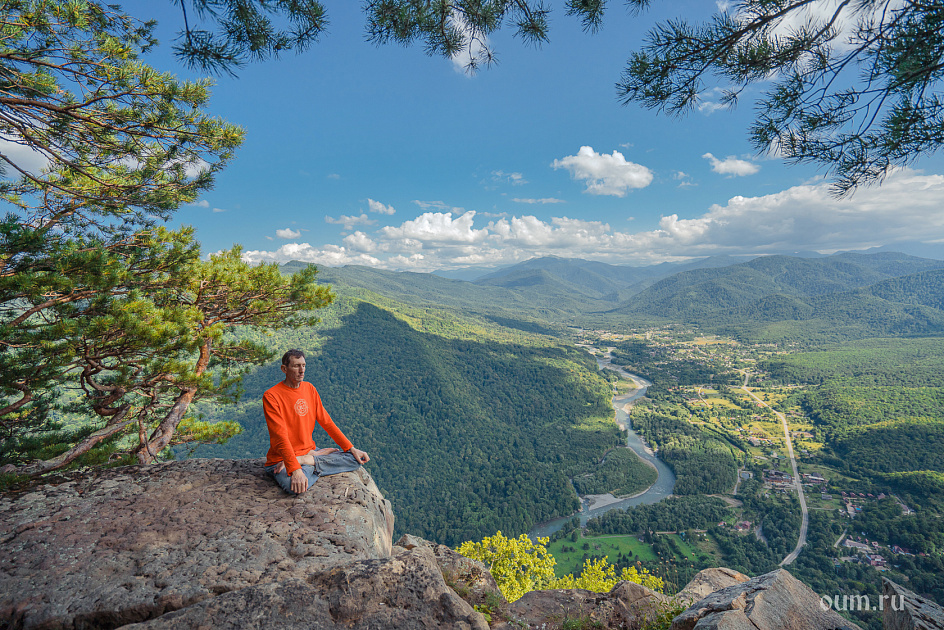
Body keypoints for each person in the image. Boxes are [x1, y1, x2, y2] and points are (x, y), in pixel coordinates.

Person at [263, 349, 370, 494]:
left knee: (356, 459)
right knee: (294, 487)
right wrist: (295, 469)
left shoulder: (309, 389)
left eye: (304, 365)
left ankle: (308, 460)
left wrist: (350, 448)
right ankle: (313, 460)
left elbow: (327, 422)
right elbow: (280, 436)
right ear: (284, 369)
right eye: (296, 366)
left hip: (309, 452)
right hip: (281, 460)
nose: (302, 370)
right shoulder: (271, 396)